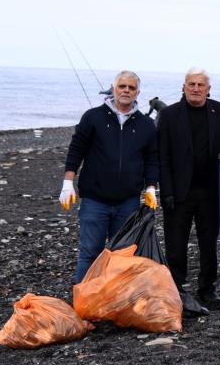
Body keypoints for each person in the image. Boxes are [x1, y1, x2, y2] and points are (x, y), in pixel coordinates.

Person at [60, 71, 159, 283]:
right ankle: (85, 297)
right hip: (95, 201)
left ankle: (115, 298)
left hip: (128, 202)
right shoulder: (92, 117)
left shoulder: (145, 124)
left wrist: (151, 187)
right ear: (113, 89)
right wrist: (68, 182)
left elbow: (152, 159)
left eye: (131, 88)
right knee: (90, 252)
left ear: (137, 92)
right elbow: (76, 149)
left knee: (122, 256)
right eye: (122, 86)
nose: (126, 91)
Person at [157, 68, 220, 306]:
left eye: (200, 85)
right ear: (184, 87)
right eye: (191, 84)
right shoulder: (169, 114)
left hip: (211, 190)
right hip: (178, 192)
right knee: (175, 244)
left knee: (208, 243)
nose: (195, 88)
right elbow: (162, 155)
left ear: (208, 89)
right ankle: (176, 287)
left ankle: (207, 289)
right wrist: (166, 191)